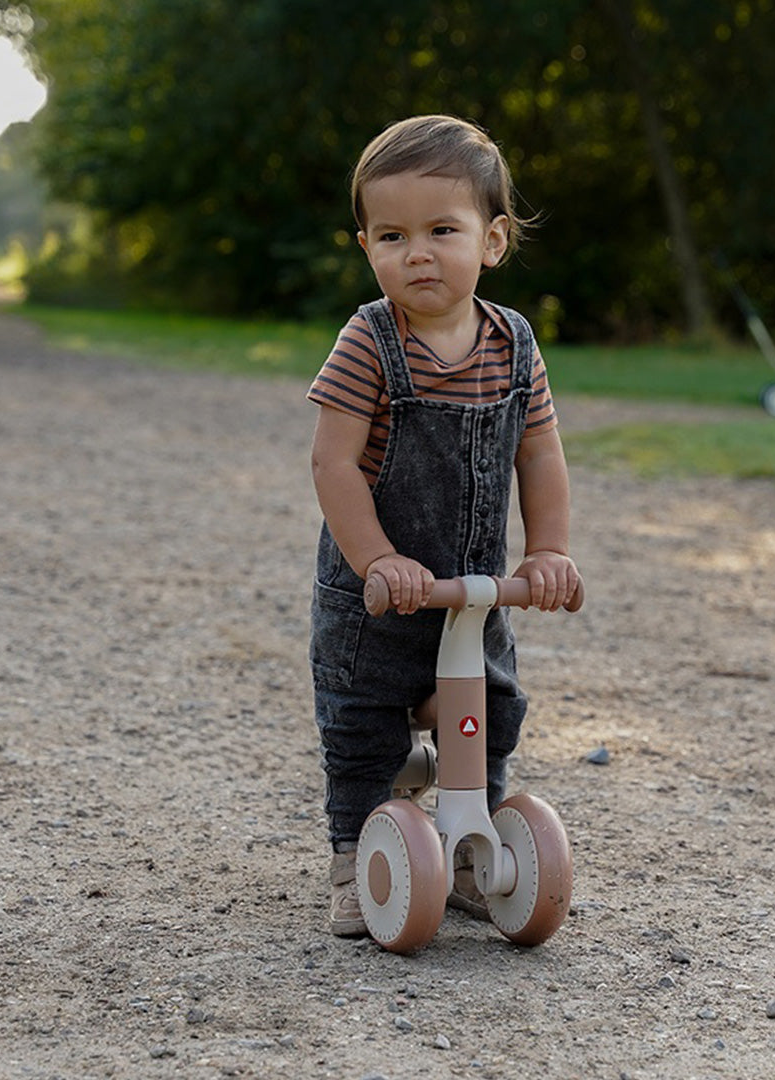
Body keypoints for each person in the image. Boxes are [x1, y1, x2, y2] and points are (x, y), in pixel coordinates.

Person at [307, 115, 580, 936]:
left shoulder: (514, 343)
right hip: (382, 596)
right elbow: (333, 463)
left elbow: (541, 454)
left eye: (441, 230)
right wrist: (376, 558)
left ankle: (472, 845)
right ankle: (360, 855)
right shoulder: (369, 340)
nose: (416, 252)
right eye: (392, 235)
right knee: (364, 721)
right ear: (367, 247)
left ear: (492, 241)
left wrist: (551, 550)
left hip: (472, 591)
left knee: (491, 712)